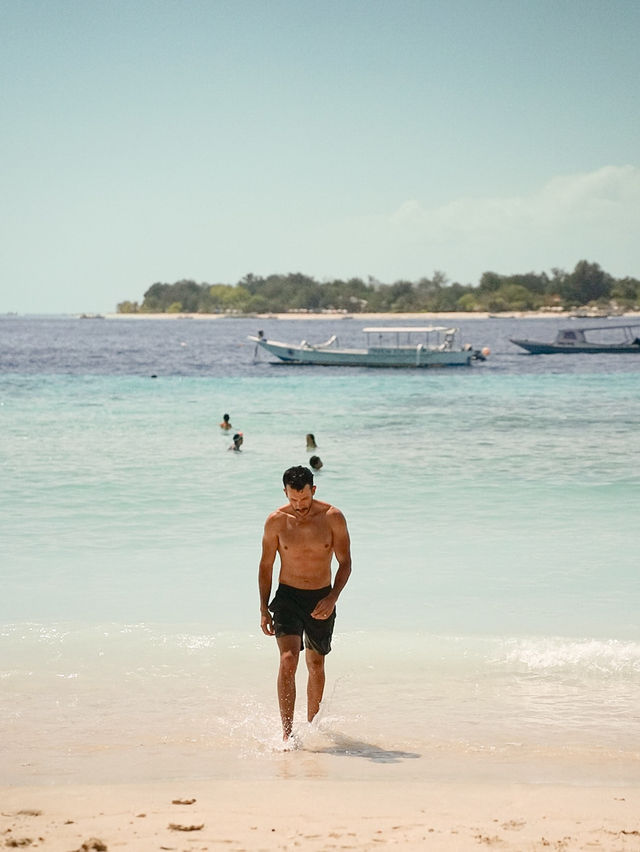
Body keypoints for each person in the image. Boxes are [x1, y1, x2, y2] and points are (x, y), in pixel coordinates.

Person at [259, 466, 351, 741]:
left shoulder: (333, 518)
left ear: (313, 490)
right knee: (288, 659)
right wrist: (263, 607)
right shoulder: (276, 521)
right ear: (285, 492)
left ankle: (312, 728)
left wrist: (332, 597)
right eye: (292, 499)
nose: (298, 506)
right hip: (288, 596)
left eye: (304, 499)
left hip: (321, 597)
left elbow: (345, 562)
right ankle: (287, 736)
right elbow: (266, 566)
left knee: (316, 664)